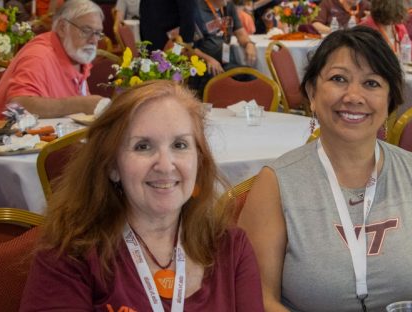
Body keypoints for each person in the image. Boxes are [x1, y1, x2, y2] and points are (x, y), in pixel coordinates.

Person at [238, 26, 412, 311]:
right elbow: (259, 298)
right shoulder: (275, 185)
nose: (354, 96)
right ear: (312, 92)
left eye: (371, 83)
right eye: (338, 79)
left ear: (390, 100)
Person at [20, 80, 264, 311]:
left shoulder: (230, 247)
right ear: (113, 166)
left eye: (180, 145)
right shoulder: (72, 252)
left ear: (199, 160)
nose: (166, 165)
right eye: (143, 146)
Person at [0, 0, 106, 119]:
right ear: (62, 28)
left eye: (98, 33)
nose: (93, 40)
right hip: (8, 134)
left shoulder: (76, 55)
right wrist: (81, 104)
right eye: (86, 31)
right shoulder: (39, 56)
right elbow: (18, 106)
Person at [193, 0, 257, 76]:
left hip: (227, 61)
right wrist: (208, 59)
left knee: (252, 75)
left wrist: (248, 44)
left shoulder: (229, 5)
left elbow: (240, 33)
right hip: (207, 66)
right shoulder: (196, 9)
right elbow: (188, 48)